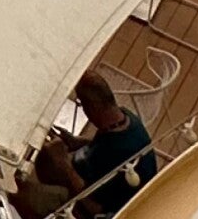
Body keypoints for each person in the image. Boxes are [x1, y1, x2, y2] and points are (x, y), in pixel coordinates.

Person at [64, 71, 158, 216]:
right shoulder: (124, 117)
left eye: (83, 105)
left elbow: (96, 206)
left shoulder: (115, 153)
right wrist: (78, 142)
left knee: (40, 191)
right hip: (141, 186)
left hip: (116, 208)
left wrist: (65, 169)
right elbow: (107, 142)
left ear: (92, 108)